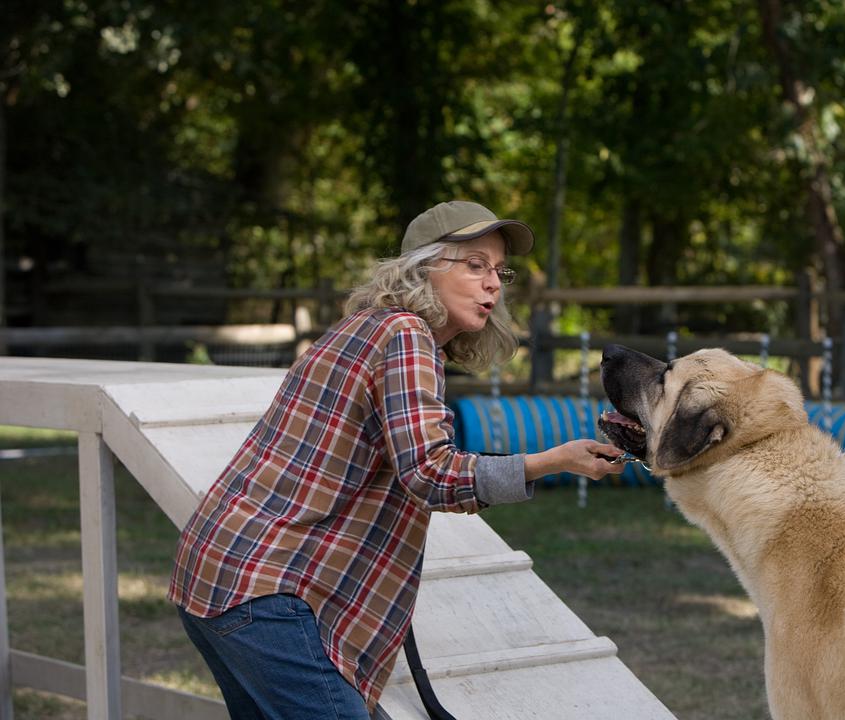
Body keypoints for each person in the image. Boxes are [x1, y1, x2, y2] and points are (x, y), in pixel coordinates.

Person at [169, 200, 625, 719]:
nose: (494, 284)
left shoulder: (368, 327)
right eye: (474, 265)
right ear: (423, 268)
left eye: (500, 270)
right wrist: (549, 461)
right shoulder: (407, 337)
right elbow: (430, 473)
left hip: (219, 574)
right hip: (266, 591)